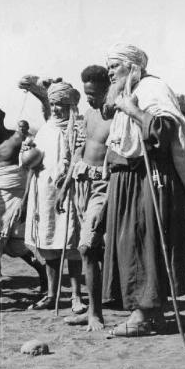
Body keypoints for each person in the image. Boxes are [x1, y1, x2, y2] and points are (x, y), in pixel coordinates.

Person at [102, 43, 185, 336]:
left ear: (132, 66)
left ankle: (142, 316)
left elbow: (166, 130)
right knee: (130, 242)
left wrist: (133, 110)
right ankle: (151, 312)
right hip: (128, 178)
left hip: (149, 176)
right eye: (108, 66)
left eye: (114, 66)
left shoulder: (152, 89)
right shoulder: (124, 92)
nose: (110, 72)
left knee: (141, 241)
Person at [22, 81, 86, 313]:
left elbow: (79, 158)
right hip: (45, 194)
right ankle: (52, 294)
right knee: (49, 242)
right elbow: (34, 164)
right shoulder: (45, 129)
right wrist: (27, 151)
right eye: (54, 104)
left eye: (62, 104)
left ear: (71, 104)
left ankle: (77, 296)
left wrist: (66, 182)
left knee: (71, 243)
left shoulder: (78, 128)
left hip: (69, 191)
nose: (57, 109)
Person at [56, 65, 112, 331]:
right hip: (80, 184)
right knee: (86, 248)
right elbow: (79, 151)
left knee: (87, 248)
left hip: (103, 186)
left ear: (107, 88)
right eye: (86, 93)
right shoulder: (89, 115)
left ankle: (95, 314)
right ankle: (90, 309)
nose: (90, 99)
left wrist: (109, 195)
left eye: (94, 93)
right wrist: (65, 186)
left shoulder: (117, 117)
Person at [0, 107, 46, 299]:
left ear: (2, 120)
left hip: (18, 195)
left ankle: (42, 273)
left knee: (15, 245)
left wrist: (26, 202)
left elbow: (32, 168)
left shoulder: (18, 139)